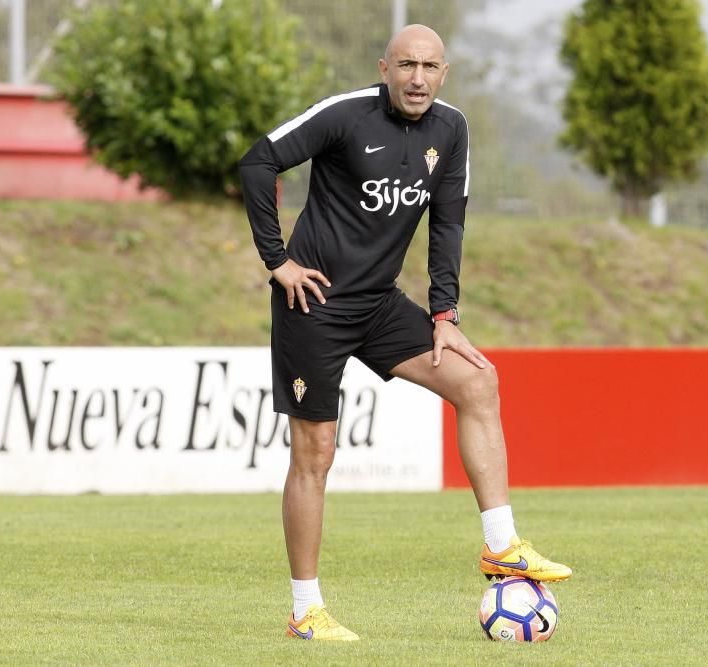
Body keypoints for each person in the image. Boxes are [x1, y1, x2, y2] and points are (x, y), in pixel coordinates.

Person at [239, 23, 572, 642]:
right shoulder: (345, 115)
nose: (418, 78)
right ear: (384, 67)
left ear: (444, 73)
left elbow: (448, 223)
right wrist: (277, 260)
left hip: (378, 304)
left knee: (478, 381)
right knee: (316, 454)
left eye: (430, 67)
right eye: (407, 65)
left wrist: (445, 314)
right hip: (313, 302)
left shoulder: (451, 129)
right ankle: (305, 611)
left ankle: (501, 546)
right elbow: (258, 162)